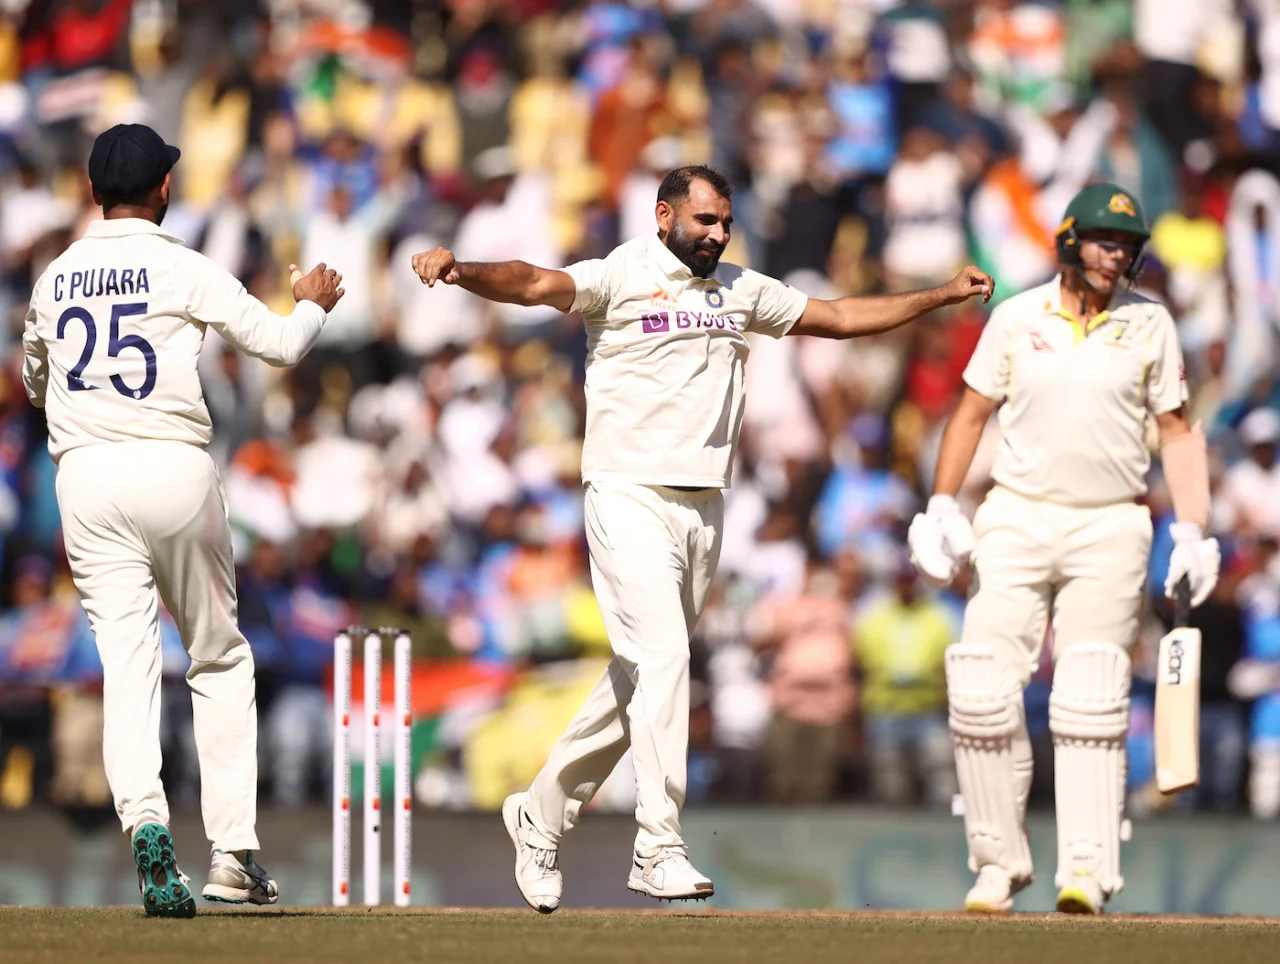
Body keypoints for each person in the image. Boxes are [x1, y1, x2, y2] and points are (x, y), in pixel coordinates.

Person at [412, 164, 993, 912]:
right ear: (664, 216)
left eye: (725, 223)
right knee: (664, 658)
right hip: (626, 494)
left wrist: (940, 295)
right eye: (705, 221)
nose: (718, 234)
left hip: (704, 508)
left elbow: (841, 317)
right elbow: (531, 283)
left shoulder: (741, 289)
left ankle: (540, 814)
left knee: (640, 680)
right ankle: (658, 846)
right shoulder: (622, 272)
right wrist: (461, 271)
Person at [21, 124, 344, 917]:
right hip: (172, 463)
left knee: (128, 666)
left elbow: (33, 376)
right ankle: (233, 853)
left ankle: (145, 828)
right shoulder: (181, 264)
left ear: (95, 191)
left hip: (86, 477)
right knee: (218, 656)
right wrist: (312, 307)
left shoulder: (55, 276)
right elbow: (276, 345)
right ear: (165, 187)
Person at [907, 182, 1221, 915]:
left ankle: (1086, 868)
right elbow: (971, 413)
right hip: (1016, 515)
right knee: (981, 686)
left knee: (1090, 693)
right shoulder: (1017, 318)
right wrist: (940, 506)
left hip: (1110, 521)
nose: (1117, 256)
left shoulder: (1151, 325)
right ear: (1070, 241)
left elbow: (1176, 431)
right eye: (1105, 242)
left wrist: (1195, 528)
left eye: (1128, 246)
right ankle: (997, 865)